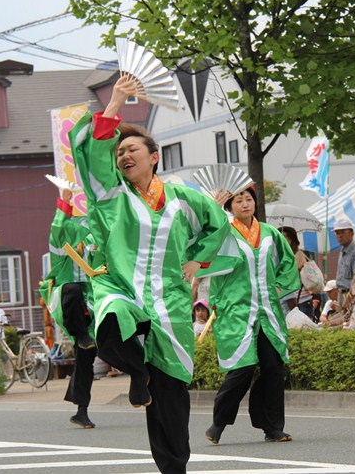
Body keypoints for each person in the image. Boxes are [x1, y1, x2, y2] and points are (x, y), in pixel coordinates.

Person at [69, 74, 229, 473]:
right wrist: (116, 103)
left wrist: (197, 261)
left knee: (171, 393)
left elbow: (219, 226)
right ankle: (137, 374)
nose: (124, 156)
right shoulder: (111, 195)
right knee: (108, 329)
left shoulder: (183, 198)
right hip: (121, 288)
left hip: (171, 299)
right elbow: (92, 156)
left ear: (154, 156)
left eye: (132, 149)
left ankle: (174, 467)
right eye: (119, 151)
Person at [204, 187, 300, 445]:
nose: (245, 204)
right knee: (242, 368)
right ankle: (219, 423)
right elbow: (205, 255)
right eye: (239, 200)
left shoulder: (270, 234)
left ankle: (272, 427)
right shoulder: (224, 235)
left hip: (268, 311)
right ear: (230, 206)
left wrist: (278, 287)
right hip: (237, 310)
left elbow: (288, 263)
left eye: (249, 199)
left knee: (273, 368)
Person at [42, 186, 99, 429]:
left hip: (96, 297)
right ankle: (83, 335)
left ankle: (81, 410)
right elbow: (56, 235)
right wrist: (63, 205)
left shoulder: (101, 232)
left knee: (86, 357)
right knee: (73, 290)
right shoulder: (63, 234)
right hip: (68, 298)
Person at [333, 219, 355, 302]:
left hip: (351, 296)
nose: (339, 235)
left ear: (352, 233)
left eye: (343, 232)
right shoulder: (342, 250)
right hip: (341, 294)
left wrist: (351, 298)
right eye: (337, 233)